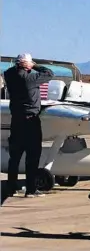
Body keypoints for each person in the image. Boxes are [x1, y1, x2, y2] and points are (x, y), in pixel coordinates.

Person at [3, 53, 54, 198]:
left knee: (15, 156)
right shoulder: (29, 78)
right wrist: (35, 65)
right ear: (26, 65)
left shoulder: (9, 74)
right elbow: (49, 73)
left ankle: (11, 187)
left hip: (16, 121)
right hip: (30, 121)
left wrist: (26, 65)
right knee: (32, 156)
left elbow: (11, 70)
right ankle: (31, 189)